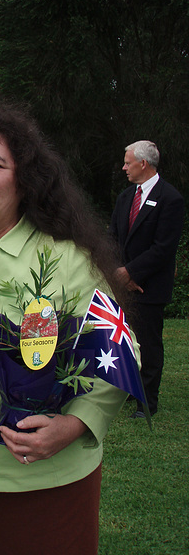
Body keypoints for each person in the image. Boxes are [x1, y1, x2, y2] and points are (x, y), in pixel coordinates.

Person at [0, 98, 134, 555]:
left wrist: (75, 424)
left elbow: (122, 353)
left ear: (23, 177)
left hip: (55, 477)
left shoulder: (65, 259)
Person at [109, 140, 184, 418]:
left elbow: (163, 248)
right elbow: (113, 239)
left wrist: (130, 273)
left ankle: (146, 403)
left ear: (143, 164)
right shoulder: (126, 197)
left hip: (149, 287)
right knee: (125, 341)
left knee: (149, 346)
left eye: (128, 162)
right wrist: (119, 274)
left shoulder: (170, 199)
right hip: (123, 286)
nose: (124, 167)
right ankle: (130, 390)